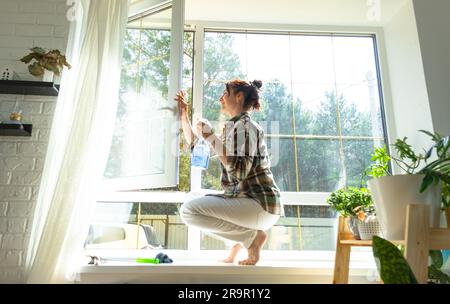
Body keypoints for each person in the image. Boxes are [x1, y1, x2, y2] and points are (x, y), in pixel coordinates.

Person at [174, 79, 282, 265]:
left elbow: (238, 171)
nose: (220, 98)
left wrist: (210, 135)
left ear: (238, 97)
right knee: (191, 197)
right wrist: (184, 115)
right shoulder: (234, 128)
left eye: (225, 93)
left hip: (260, 204)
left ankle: (251, 238)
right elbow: (198, 148)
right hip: (248, 202)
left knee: (189, 211)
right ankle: (241, 242)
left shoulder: (247, 127)